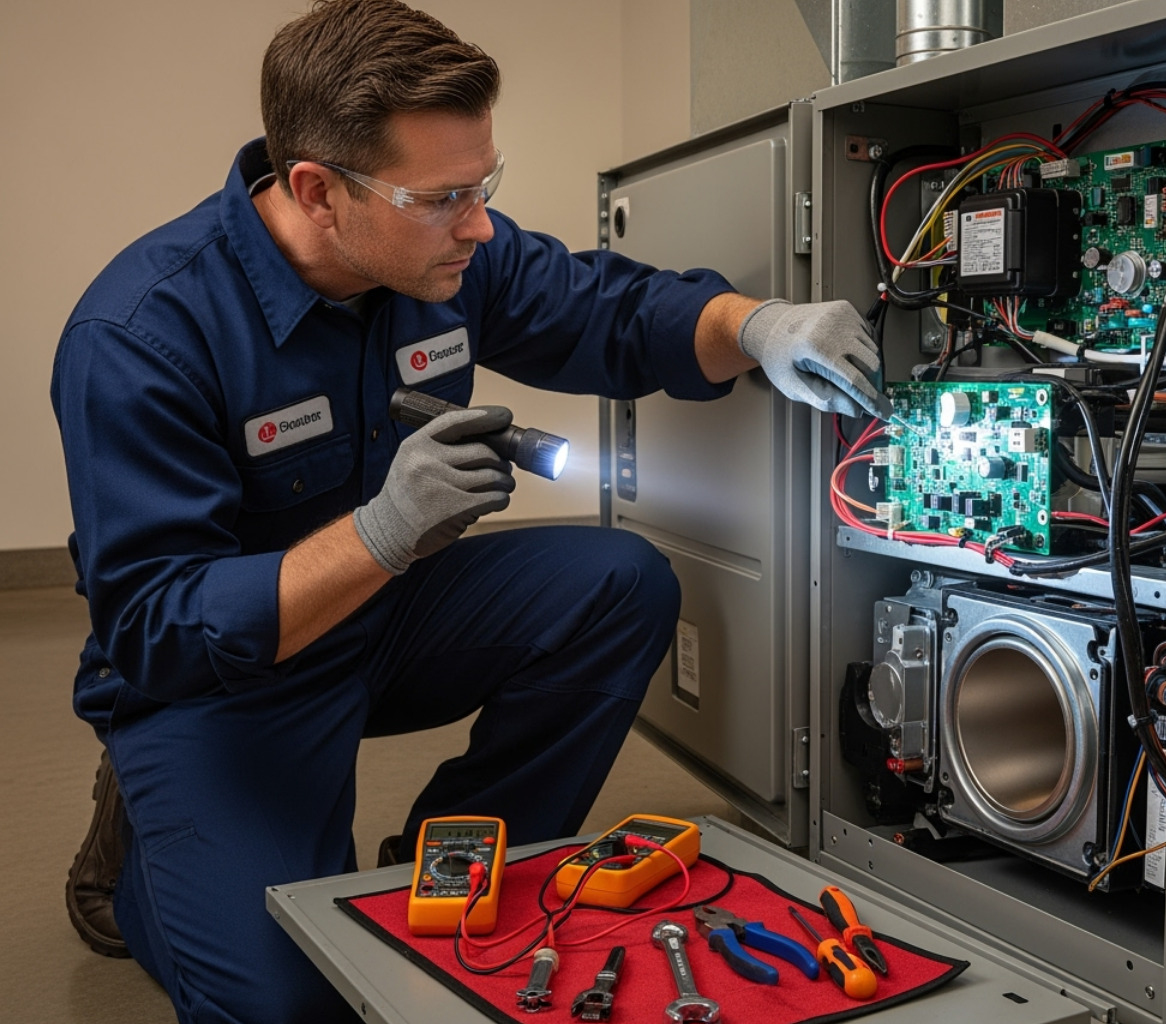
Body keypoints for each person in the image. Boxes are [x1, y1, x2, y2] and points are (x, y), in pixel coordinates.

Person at [50, 1, 889, 1020]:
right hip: (223, 679)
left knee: (620, 583)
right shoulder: (142, 334)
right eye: (442, 197)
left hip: (386, 614)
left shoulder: (445, 257)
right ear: (316, 190)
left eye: (483, 184)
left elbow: (610, 312)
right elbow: (157, 629)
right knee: (293, 1001)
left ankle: (442, 870)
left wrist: (757, 327)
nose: (479, 223)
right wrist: (379, 533)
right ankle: (140, 858)